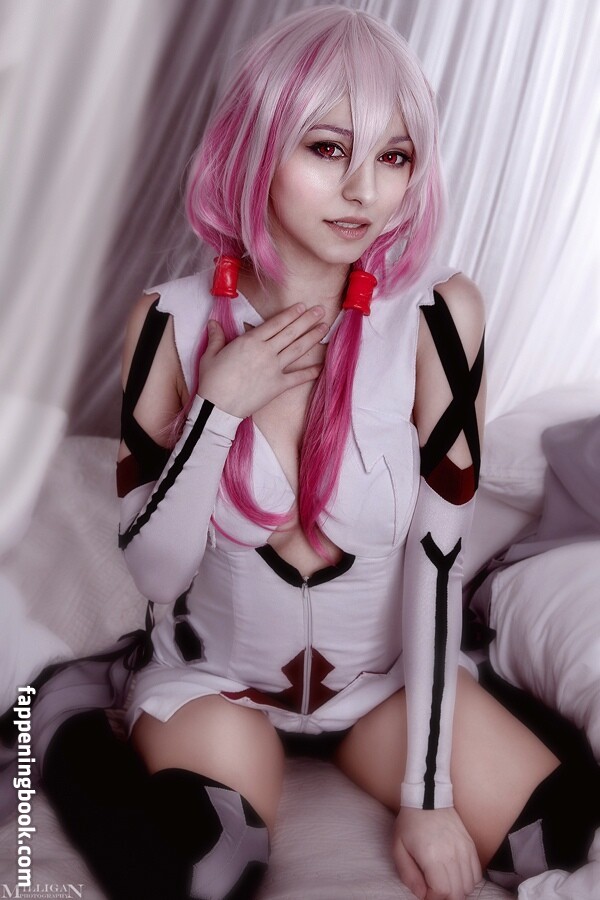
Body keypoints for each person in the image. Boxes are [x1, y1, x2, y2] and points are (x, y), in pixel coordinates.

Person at [40, 7, 599, 900]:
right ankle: (64, 723)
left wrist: (427, 798)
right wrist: (218, 407)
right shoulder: (169, 320)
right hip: (217, 682)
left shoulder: (438, 320)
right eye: (329, 148)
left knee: (552, 836)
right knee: (207, 869)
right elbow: (155, 570)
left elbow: (438, 561)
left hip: (381, 688)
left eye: (395, 157)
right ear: (256, 146)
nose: (365, 191)